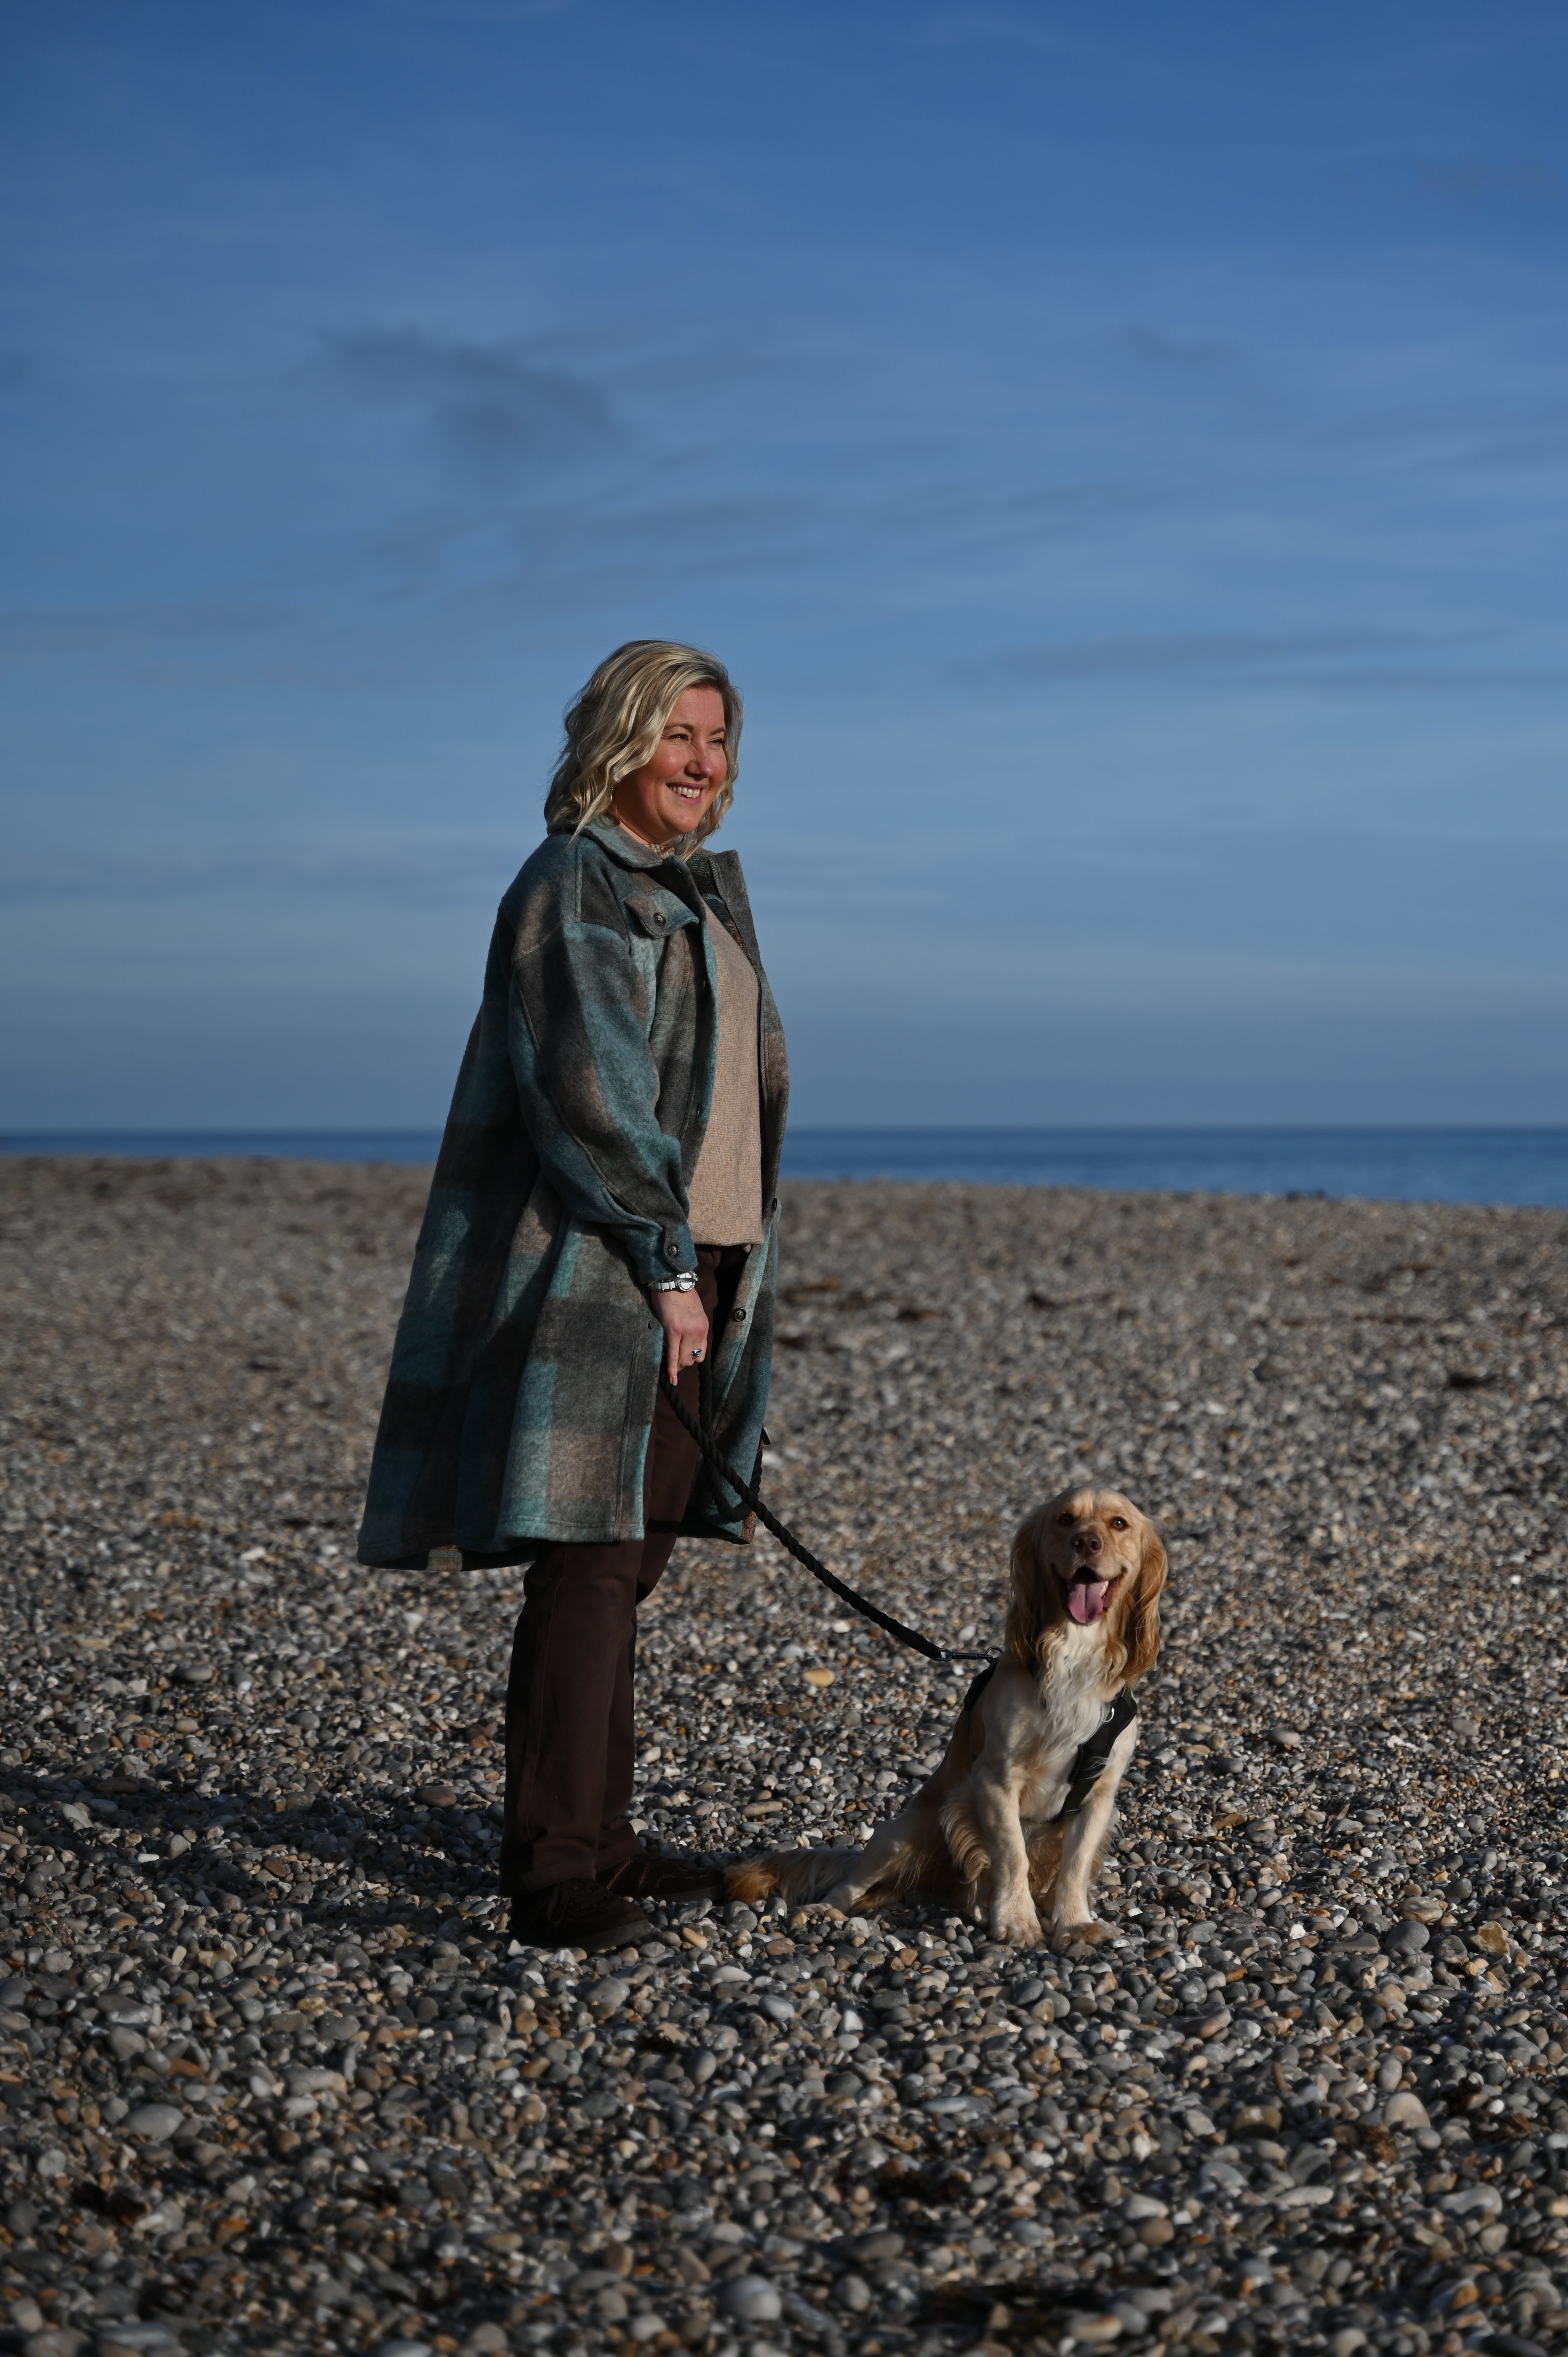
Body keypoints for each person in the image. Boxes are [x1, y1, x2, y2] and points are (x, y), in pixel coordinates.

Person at [357, 641, 788, 1952]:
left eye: (717, 741)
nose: (704, 765)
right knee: (588, 1566)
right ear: (620, 743)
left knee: (631, 1560)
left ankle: (601, 1836)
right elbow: (591, 1097)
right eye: (679, 738)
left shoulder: (695, 892)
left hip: (698, 1260)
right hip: (603, 1269)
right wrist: (664, 1264)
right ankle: (554, 1877)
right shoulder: (574, 884)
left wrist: (703, 1262)